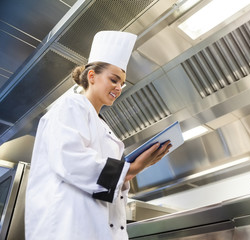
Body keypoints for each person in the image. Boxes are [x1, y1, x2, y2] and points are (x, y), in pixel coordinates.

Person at [25, 31, 172, 240]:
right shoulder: (70, 106)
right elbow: (71, 160)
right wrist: (132, 169)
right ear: (91, 76)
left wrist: (129, 172)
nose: (119, 87)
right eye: (114, 79)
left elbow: (107, 185)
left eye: (122, 83)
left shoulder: (103, 126)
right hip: (67, 230)